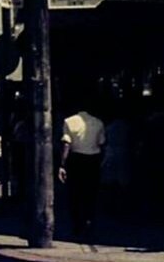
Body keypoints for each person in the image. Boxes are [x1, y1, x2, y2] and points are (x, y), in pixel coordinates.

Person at [58, 102, 106, 238]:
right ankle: (88, 220)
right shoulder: (98, 122)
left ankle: (77, 225)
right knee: (90, 193)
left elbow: (66, 144)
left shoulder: (68, 121)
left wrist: (62, 164)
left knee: (74, 194)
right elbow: (101, 144)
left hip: (75, 159)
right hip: (92, 160)